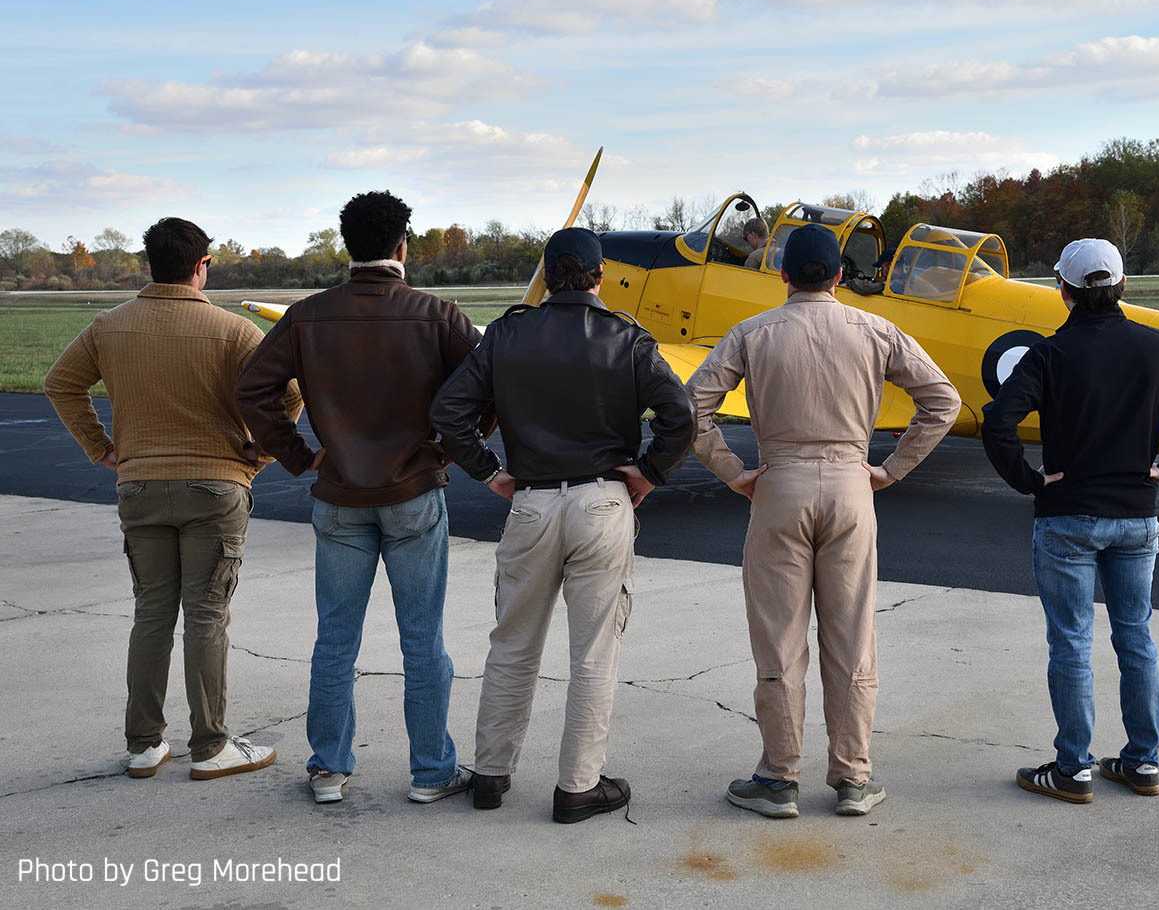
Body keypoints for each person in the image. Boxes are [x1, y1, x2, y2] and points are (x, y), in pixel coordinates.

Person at [686, 223, 961, 818]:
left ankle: (778, 777)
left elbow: (689, 408)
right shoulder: (876, 330)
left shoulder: (752, 333)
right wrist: (891, 469)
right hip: (851, 487)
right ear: (839, 276)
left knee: (779, 642)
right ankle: (853, 777)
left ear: (783, 274)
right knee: (853, 637)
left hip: (778, 487)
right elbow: (943, 401)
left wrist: (732, 470)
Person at [431, 227, 695, 823]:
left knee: (512, 645)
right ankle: (578, 786)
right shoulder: (627, 337)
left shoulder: (507, 333)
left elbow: (449, 410)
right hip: (602, 502)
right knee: (593, 652)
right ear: (601, 277)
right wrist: (649, 472)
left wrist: (490, 472)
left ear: (546, 277)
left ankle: (490, 774)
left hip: (531, 503)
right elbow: (680, 414)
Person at [236, 191, 486, 806]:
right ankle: (431, 772)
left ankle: (328, 768)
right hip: (414, 492)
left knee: (335, 637)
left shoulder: (307, 315)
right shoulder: (438, 314)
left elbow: (253, 390)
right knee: (422, 638)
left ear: (347, 244)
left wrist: (299, 455)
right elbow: (490, 387)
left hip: (339, 494)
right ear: (404, 244)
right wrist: (448, 450)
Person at [982, 238, 1159, 804]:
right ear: (1124, 286)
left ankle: (1073, 770)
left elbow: (998, 424)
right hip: (1136, 518)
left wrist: (1029, 480)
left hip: (1067, 518)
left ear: (1063, 291)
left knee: (1071, 644)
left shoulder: (1049, 355)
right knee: (1136, 637)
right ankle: (1142, 762)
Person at [44, 216, 301, 782]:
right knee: (206, 615)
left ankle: (144, 745)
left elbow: (60, 383)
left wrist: (101, 448)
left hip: (139, 485)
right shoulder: (233, 330)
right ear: (201, 265)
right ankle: (210, 746)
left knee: (151, 614)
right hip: (215, 486)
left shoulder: (108, 325)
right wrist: (260, 453)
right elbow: (289, 392)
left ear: (150, 263)